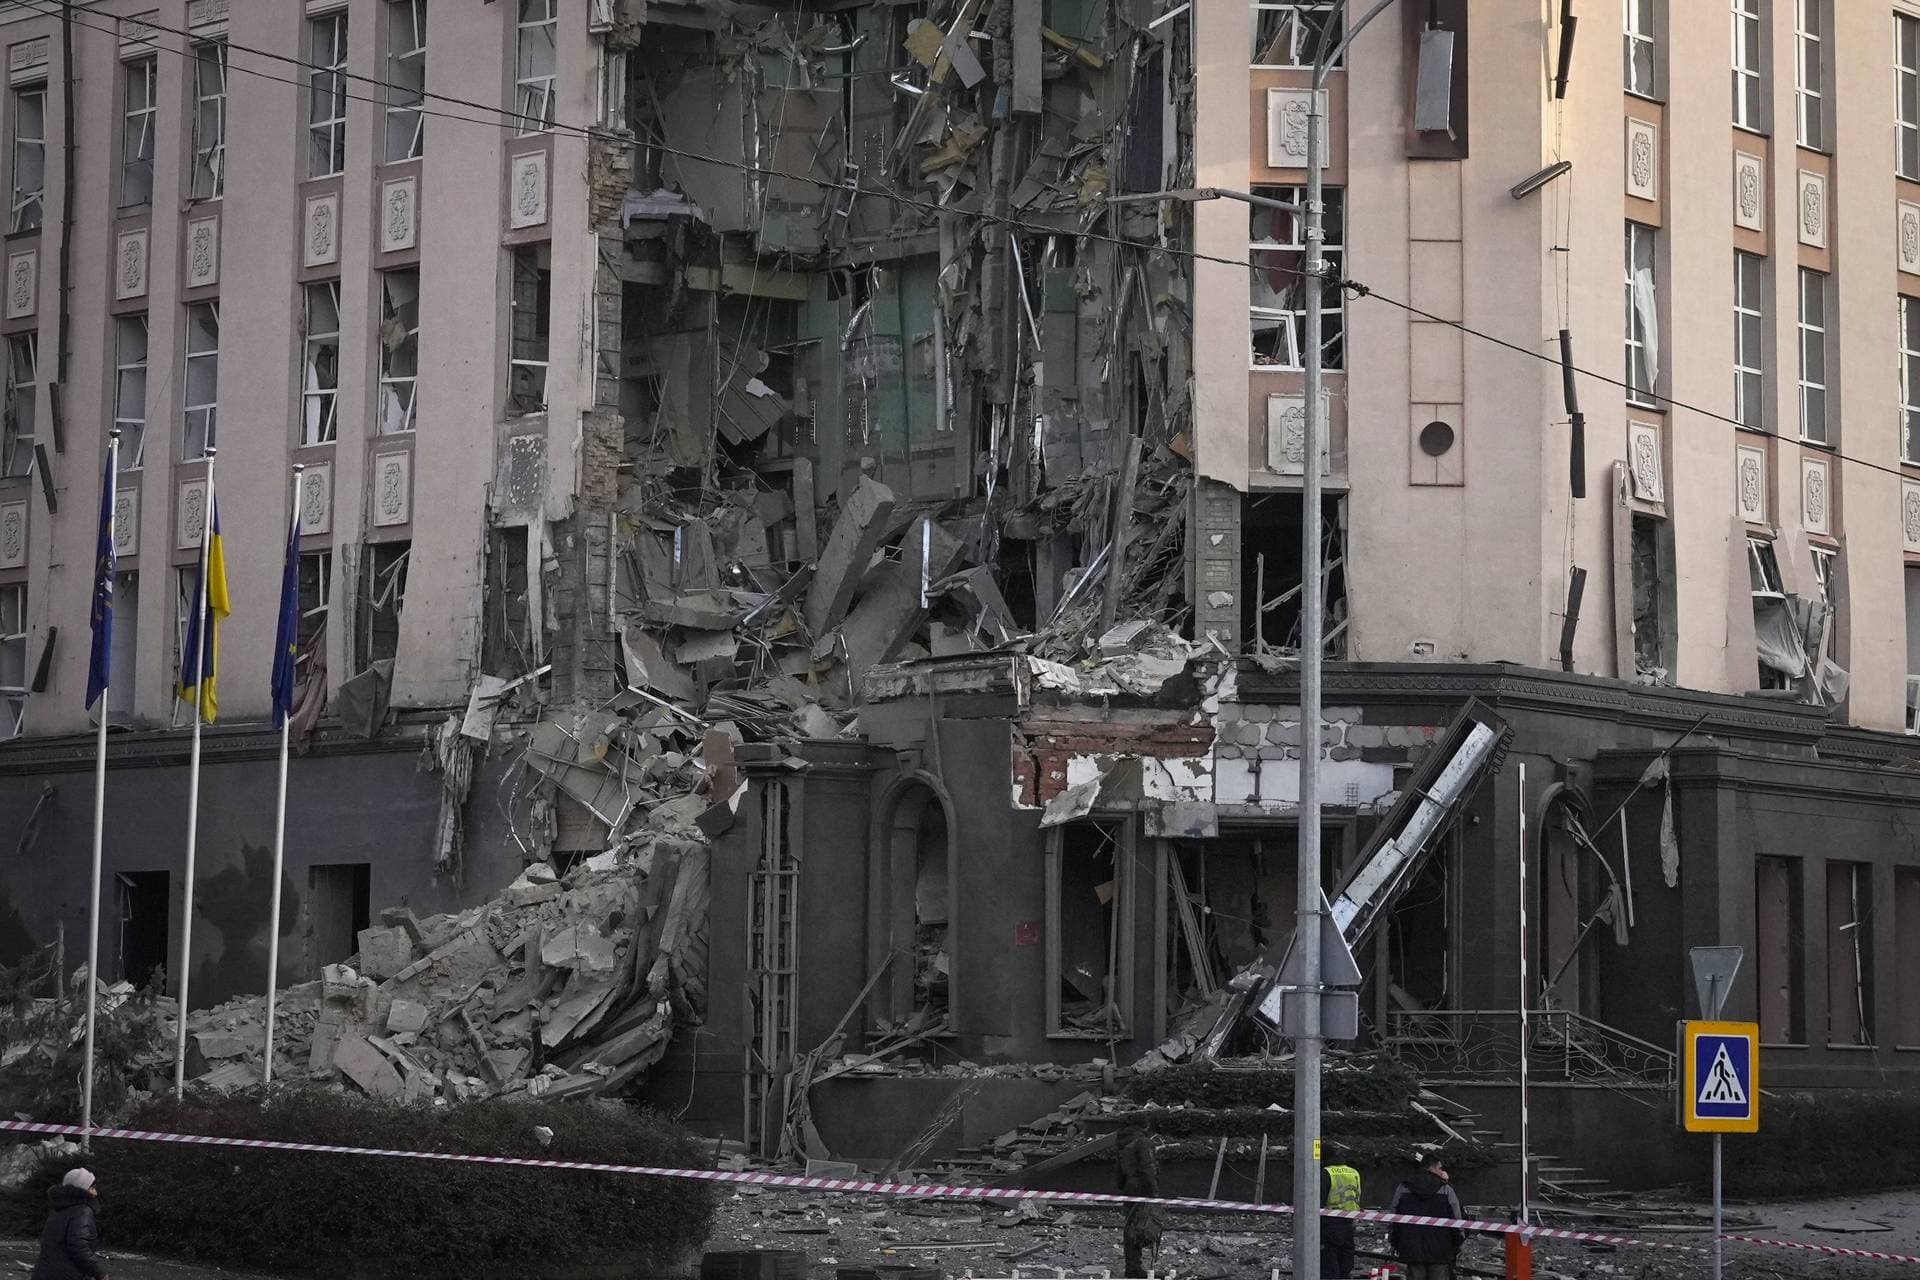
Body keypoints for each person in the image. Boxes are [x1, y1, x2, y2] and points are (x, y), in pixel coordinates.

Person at [1386, 1151, 1466, 1280]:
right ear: (1432, 1167)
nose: (1442, 1171)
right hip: (1440, 1247)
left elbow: (1393, 1215)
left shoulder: (1404, 1187)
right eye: (1440, 1168)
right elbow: (1456, 1217)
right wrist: (1459, 1241)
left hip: (1411, 1245)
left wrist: (1394, 1239)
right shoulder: (1445, 1189)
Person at [32, 1167, 107, 1280]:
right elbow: (79, 1247)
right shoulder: (83, 1211)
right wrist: (99, 1273)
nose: (96, 1193)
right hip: (67, 1274)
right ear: (83, 1190)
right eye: (92, 1188)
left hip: (45, 1272)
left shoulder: (58, 1209)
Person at [1115, 1124, 1164, 1277]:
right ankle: (1135, 1268)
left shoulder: (1124, 1141)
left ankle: (1132, 1265)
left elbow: (1119, 1169)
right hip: (1142, 1187)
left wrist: (1123, 1185)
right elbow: (1147, 1166)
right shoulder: (1143, 1142)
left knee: (1131, 1226)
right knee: (1142, 1225)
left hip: (1129, 1186)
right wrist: (1154, 1190)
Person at [1321, 1148, 1362, 1278]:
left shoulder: (1326, 1172)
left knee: (1329, 1260)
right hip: (1349, 1220)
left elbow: (1318, 1200)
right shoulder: (1353, 1172)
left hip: (1330, 1221)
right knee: (1346, 1259)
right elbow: (1358, 1195)